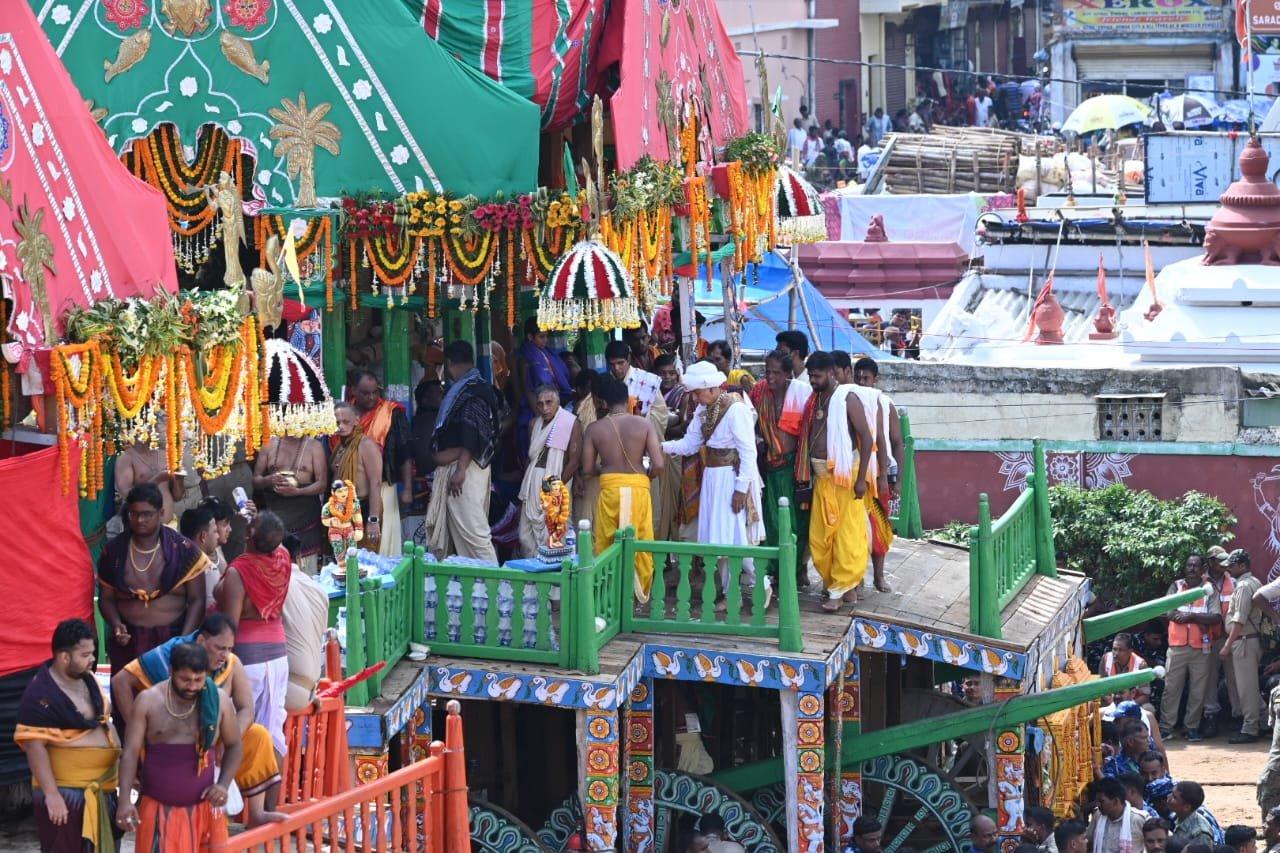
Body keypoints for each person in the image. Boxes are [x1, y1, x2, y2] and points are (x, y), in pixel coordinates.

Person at [111, 613, 284, 827]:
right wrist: (138, 727)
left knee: (258, 735)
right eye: (220, 647)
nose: (225, 655)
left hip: (215, 736)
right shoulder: (168, 656)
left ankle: (256, 813)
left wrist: (227, 739)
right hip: (171, 737)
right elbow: (120, 682)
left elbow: (246, 709)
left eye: (229, 648)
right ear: (202, 641)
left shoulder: (231, 663)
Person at [661, 361, 771, 609]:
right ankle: (728, 593)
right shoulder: (703, 410)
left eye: (697, 392)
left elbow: (748, 451)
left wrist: (741, 489)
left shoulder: (736, 410)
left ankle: (760, 582)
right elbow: (690, 444)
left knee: (736, 538)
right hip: (711, 480)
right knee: (716, 538)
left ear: (710, 388)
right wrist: (661, 447)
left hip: (731, 480)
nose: (695, 397)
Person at [114, 643, 242, 849]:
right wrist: (125, 801)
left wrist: (223, 785)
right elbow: (130, 753)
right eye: (185, 679)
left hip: (206, 812)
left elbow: (235, 745)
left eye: (199, 680)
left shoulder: (218, 700)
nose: (192, 686)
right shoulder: (148, 701)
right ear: (171, 671)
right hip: (157, 811)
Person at [16, 619, 122, 853]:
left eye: (92, 653)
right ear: (65, 657)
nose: (93, 659)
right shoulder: (41, 694)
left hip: (102, 789)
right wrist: (52, 796)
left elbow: (103, 722)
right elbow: (35, 747)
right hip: (66, 793)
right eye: (86, 655)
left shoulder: (90, 680)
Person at [98, 484, 210, 676]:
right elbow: (106, 597)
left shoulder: (184, 550)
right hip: (128, 645)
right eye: (134, 514)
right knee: (127, 701)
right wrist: (116, 624)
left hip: (172, 642)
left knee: (169, 702)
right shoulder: (114, 552)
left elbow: (197, 600)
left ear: (161, 513)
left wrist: (183, 641)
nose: (140, 520)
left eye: (147, 514)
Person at [796, 352, 872, 611]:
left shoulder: (847, 398)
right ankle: (843, 587)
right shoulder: (815, 399)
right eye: (809, 376)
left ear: (830, 373)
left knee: (846, 536)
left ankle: (838, 592)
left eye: (816, 376)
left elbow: (867, 438)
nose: (812, 380)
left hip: (845, 477)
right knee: (820, 537)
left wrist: (861, 480)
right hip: (821, 479)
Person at [215, 511, 292, 761]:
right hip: (278, 655)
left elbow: (229, 625)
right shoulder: (283, 558)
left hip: (248, 660)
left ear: (248, 534)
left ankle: (238, 794)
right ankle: (272, 800)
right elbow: (271, 536)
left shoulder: (239, 571)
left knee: (240, 730)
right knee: (273, 734)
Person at [582, 374, 663, 603]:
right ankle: (638, 596)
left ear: (604, 403)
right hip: (638, 489)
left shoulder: (594, 429)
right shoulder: (644, 424)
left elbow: (587, 469)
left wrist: (607, 470)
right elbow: (658, 464)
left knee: (607, 543)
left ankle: (609, 597)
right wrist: (641, 477)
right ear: (627, 399)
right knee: (640, 541)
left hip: (610, 491)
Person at [425, 341, 503, 562]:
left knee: (474, 534)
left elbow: (473, 432)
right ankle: (477, 589)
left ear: (449, 363)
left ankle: (494, 586)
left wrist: (460, 467)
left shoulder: (472, 391)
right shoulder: (476, 387)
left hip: (465, 473)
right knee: (464, 535)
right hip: (466, 469)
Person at [750, 350, 812, 588]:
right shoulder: (758, 392)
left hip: (794, 467)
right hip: (768, 467)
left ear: (788, 374)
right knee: (770, 521)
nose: (771, 377)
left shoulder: (801, 392)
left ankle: (795, 569)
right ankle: (773, 570)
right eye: (768, 371)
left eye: (776, 372)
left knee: (796, 522)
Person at [606, 339, 670, 534]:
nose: (616, 369)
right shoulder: (607, 383)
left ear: (628, 360)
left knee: (648, 506)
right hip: (616, 455)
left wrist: (641, 421)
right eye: (612, 364)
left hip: (643, 453)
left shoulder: (648, 381)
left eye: (620, 363)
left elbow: (661, 414)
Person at [349, 370, 413, 557]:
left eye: (374, 392)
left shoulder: (391, 413)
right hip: (351, 489)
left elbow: (405, 452)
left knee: (383, 542)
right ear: (353, 390)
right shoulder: (346, 414)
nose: (371, 397)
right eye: (365, 393)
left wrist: (408, 489)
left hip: (383, 486)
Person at [1159, 555, 1221, 742]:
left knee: (1198, 690)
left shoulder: (1209, 589)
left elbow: (1216, 617)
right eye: (1189, 565)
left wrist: (1190, 617)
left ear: (1203, 569)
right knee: (1171, 688)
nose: (1192, 568)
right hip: (1177, 647)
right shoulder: (1176, 586)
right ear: (1185, 568)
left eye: (1196, 565)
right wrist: (1182, 615)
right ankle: (1166, 728)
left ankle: (1191, 728)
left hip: (1201, 648)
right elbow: (1166, 611)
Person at [518, 384, 583, 557]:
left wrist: (554, 489)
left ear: (558, 402)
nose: (545, 408)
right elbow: (530, 458)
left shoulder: (570, 422)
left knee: (554, 533)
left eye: (549, 402)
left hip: (555, 482)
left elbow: (574, 461)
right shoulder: (534, 424)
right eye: (540, 404)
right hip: (532, 483)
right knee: (526, 535)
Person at [846, 358, 894, 593]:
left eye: (866, 378)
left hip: (875, 475)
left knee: (879, 528)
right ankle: (856, 576)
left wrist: (884, 476)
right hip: (854, 473)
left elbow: (886, 440)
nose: (862, 382)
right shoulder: (849, 399)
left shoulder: (880, 402)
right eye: (859, 377)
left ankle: (879, 576)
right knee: (856, 528)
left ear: (876, 380)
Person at [251, 434, 327, 571]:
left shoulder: (314, 446)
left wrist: (297, 492)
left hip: (305, 517)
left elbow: (322, 484)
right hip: (276, 516)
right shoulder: (269, 443)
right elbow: (255, 480)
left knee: (306, 571)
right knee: (275, 569)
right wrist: (269, 480)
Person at [280, 534, 330, 712]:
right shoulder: (319, 591)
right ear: (300, 558)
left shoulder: (278, 584)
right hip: (309, 690)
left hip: (288, 687)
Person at [655, 354, 700, 544]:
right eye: (663, 373)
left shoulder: (684, 394)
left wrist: (660, 428)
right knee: (659, 502)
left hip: (675, 453)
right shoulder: (651, 391)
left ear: (677, 373)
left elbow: (684, 425)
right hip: (657, 451)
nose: (667, 377)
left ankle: (676, 544)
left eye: (671, 373)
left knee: (675, 500)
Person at [329, 400, 384, 552]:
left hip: (363, 509)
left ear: (356, 420)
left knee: (363, 563)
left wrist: (373, 520)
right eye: (337, 422)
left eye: (346, 421)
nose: (341, 426)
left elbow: (376, 483)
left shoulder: (366, 444)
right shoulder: (340, 446)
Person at [514, 318, 573, 456]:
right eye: (541, 336)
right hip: (536, 409)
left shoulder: (547, 353)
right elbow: (528, 390)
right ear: (530, 337)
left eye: (546, 336)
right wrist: (540, 415)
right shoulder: (525, 358)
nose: (545, 340)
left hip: (553, 407)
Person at [1222, 549, 1264, 742]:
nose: (1228, 570)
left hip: (1244, 641)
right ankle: (1261, 723)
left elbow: (1239, 620)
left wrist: (1227, 645)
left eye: (1231, 566)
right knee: (1251, 687)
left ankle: (1250, 729)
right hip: (1250, 639)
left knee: (1246, 688)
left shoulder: (1244, 586)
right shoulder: (1253, 582)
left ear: (1242, 565)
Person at [1203, 547, 1238, 738]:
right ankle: (1210, 717)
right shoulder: (1199, 582)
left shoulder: (1233, 581)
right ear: (1210, 562)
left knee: (1235, 678)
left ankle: (1238, 716)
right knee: (1209, 679)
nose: (1224, 564)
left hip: (1229, 637)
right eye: (1220, 561)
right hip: (1206, 637)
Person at [114, 441, 186, 528]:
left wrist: (178, 478)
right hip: (140, 528)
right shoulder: (126, 457)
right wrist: (157, 479)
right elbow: (127, 495)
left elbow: (178, 496)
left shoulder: (167, 454)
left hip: (169, 525)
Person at [1088, 776, 1147, 850]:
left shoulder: (1138, 819)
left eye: (1101, 801)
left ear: (1116, 801)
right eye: (1097, 801)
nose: (1098, 805)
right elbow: (1089, 841)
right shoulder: (1098, 815)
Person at [181, 506, 223, 609]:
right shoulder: (209, 570)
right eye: (215, 531)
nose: (218, 536)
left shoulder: (172, 557)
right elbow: (211, 610)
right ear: (203, 536)